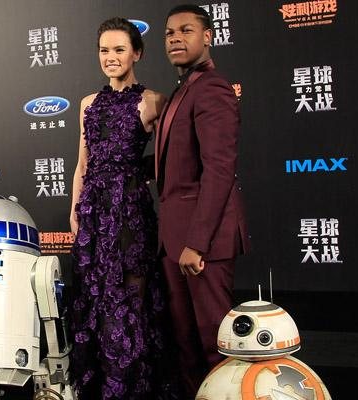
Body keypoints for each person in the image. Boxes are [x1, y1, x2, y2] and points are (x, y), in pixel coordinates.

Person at [68, 17, 168, 399]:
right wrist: (74, 209)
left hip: (129, 212)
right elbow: (82, 164)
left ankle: (134, 386)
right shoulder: (88, 105)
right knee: (96, 296)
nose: (110, 58)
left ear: (137, 53)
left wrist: (137, 173)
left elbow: (168, 158)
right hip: (94, 211)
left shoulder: (153, 101)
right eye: (104, 51)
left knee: (132, 297)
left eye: (119, 50)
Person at [156, 4, 251, 397]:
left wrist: (197, 243)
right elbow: (176, 162)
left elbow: (218, 170)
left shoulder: (212, 87)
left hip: (201, 243)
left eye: (186, 30)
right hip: (176, 239)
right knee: (187, 345)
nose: (176, 38)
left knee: (215, 344)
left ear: (208, 36)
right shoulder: (185, 89)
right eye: (169, 33)